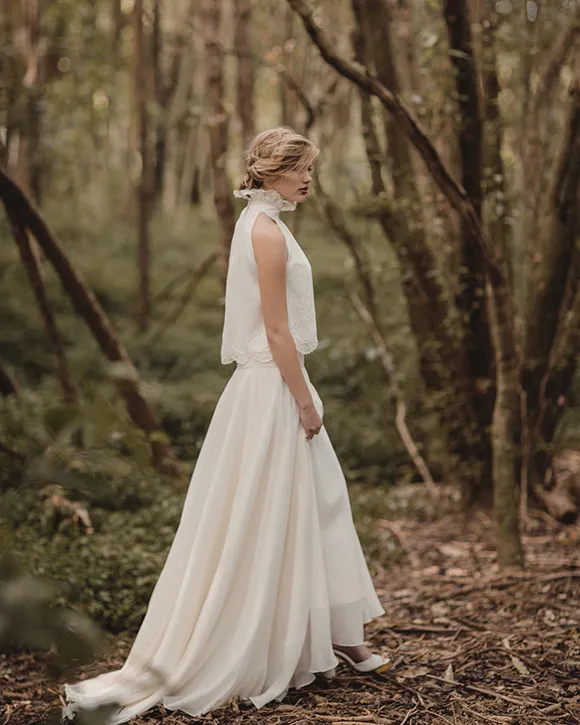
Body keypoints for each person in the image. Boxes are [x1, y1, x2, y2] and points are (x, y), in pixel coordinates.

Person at [61, 126, 390, 724]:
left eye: (309, 167)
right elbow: (274, 329)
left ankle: (340, 636)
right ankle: (299, 638)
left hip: (273, 383)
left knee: (315, 504)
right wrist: (304, 400)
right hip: (272, 389)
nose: (309, 177)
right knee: (276, 512)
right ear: (272, 171)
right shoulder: (264, 231)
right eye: (301, 168)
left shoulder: (261, 223)